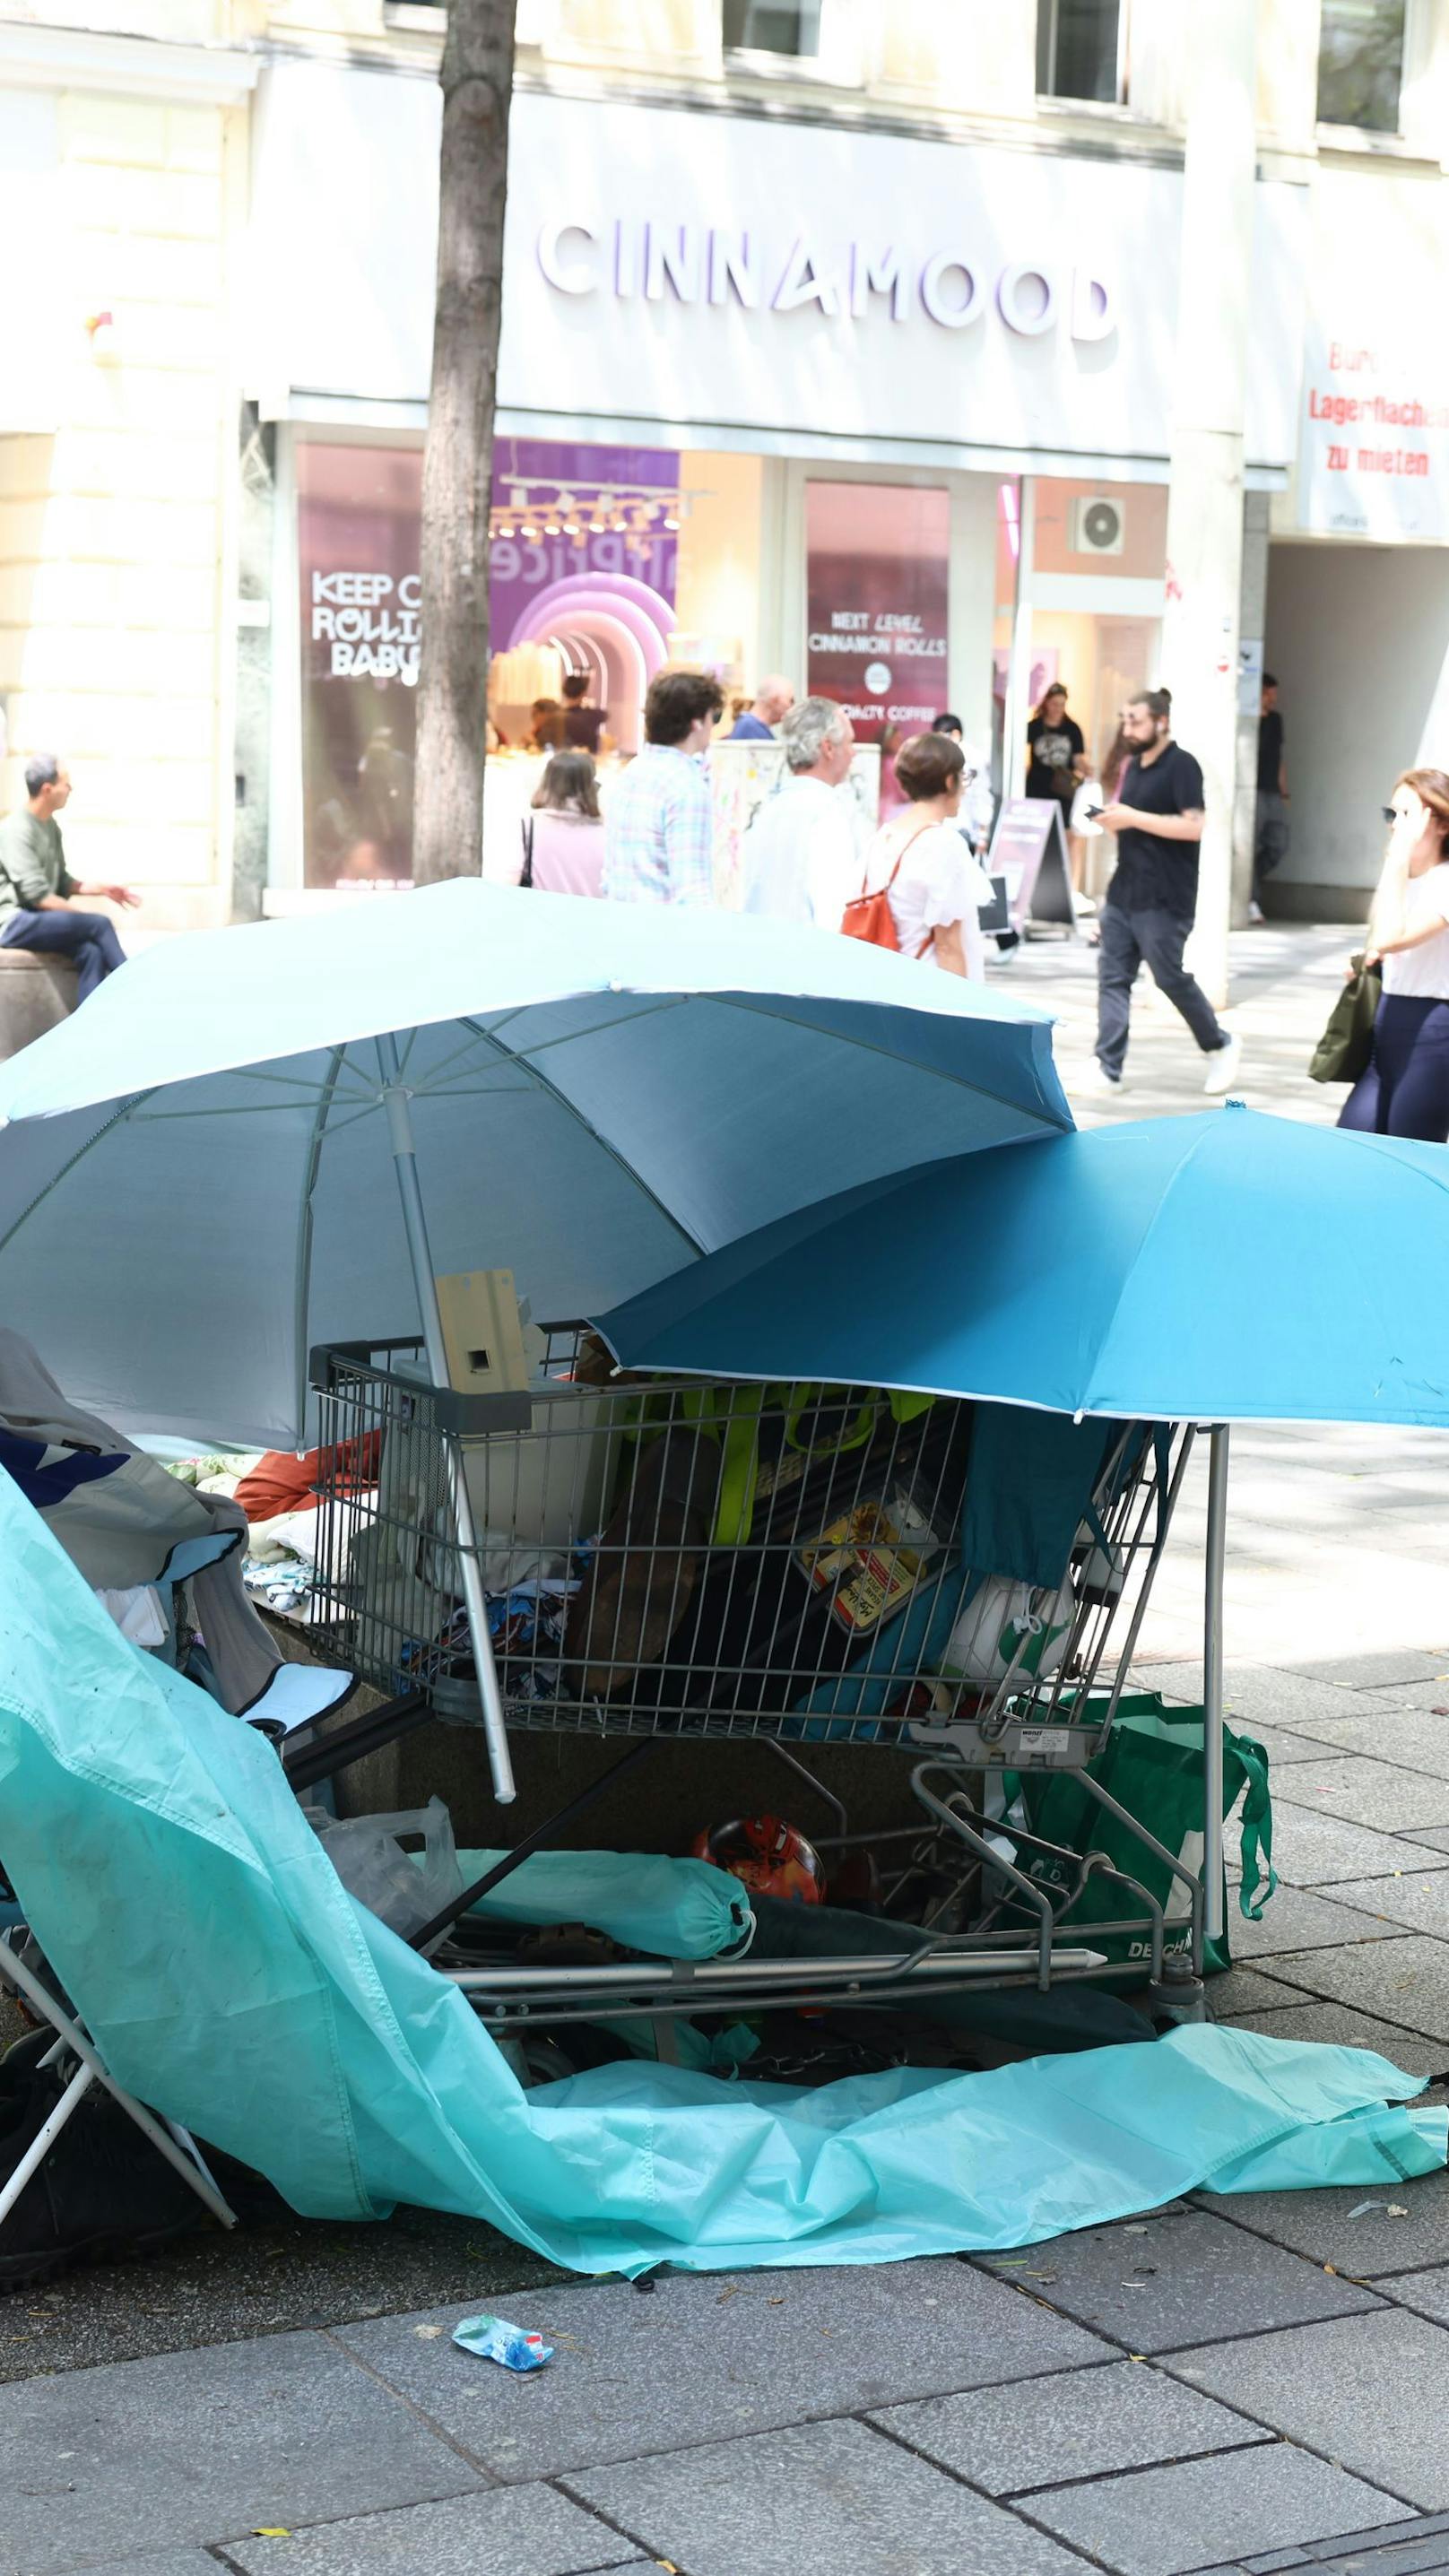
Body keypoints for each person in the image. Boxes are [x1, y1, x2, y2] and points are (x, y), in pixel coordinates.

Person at [1087, 690, 1242, 1097]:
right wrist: (1111, 820)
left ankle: (1219, 1043)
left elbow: (1193, 826)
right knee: (1113, 978)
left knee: (1169, 976)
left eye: (1135, 720)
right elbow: (1133, 824)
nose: (1128, 728)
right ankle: (1108, 1067)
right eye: (1124, 720)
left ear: (1161, 721)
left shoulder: (1182, 765)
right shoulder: (1132, 765)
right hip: (1125, 891)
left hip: (1166, 896)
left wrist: (1134, 816)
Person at [1340, 769, 1449, 1141]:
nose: (1394, 826)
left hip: (1434, 1029)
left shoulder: (1445, 881)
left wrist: (1397, 860)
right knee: (1354, 1140)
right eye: (1391, 815)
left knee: (1413, 1151)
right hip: (1389, 1020)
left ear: (1441, 824)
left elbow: (1390, 936)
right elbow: (1382, 941)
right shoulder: (1407, 879)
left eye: (1407, 815)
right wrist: (1372, 962)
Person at [856, 730, 993, 980]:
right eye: (963, 776)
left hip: (889, 985)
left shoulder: (882, 838)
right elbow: (948, 945)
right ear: (949, 782)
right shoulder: (942, 844)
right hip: (930, 990)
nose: (964, 787)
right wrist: (964, 1012)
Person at [0, 758, 136, 1002]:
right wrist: (83, 918)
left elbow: (62, 882)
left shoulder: (51, 827)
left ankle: (88, 1026)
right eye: (66, 784)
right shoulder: (15, 830)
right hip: (12, 923)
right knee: (99, 924)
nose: (70, 790)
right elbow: (38, 896)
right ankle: (135, 990)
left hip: (36, 918)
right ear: (47, 789)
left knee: (90, 951)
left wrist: (103, 889)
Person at [602, 669, 724, 906]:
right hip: (662, 932)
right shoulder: (686, 787)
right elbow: (692, 889)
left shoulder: (632, 772)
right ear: (697, 722)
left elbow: (610, 872)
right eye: (714, 716)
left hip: (620, 921)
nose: (713, 725)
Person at [742, 698, 857, 929]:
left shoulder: (767, 809)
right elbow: (834, 912)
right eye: (849, 743)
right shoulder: (826, 813)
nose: (853, 753)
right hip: (809, 956)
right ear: (828, 748)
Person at [1026, 682, 1089, 894]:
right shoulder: (1034, 727)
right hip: (1037, 788)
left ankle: (1070, 890)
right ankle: (1035, 887)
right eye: (1054, 704)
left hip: (1063, 790)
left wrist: (1090, 772)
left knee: (1069, 837)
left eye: (1062, 705)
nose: (1057, 709)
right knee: (1038, 837)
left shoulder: (1072, 729)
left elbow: (1078, 759)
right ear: (1047, 704)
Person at [524, 750, 607, 898]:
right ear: (590, 788)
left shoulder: (527, 829)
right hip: (592, 918)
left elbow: (505, 883)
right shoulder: (607, 834)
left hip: (539, 917)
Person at [1253, 672, 1289, 924]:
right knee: (1250, 844)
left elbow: (1278, 758)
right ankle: (1250, 899)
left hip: (1272, 791)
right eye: (1269, 695)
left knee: (1279, 843)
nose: (1272, 700)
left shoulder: (1276, 720)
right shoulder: (1248, 720)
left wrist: (1284, 790)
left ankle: (1247, 879)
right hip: (1251, 791)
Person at [728, 676, 794, 741]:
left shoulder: (752, 726)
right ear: (774, 700)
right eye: (790, 700)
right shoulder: (751, 729)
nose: (792, 706)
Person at [560, 671, 607, 757]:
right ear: (583, 693)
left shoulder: (558, 716)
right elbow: (605, 715)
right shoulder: (592, 715)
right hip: (589, 762)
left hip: (564, 762)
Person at [877, 721, 907, 820]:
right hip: (894, 812)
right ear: (888, 740)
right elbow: (904, 793)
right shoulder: (893, 763)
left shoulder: (880, 761)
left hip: (881, 810)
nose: (901, 744)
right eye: (897, 740)